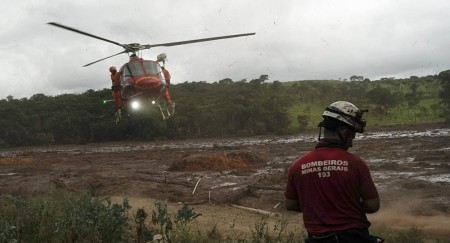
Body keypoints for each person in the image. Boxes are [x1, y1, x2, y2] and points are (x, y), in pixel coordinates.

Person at [284, 101, 381, 243]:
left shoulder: (297, 166)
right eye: (352, 136)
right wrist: (346, 206)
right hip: (354, 237)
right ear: (344, 132)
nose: (352, 143)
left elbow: (290, 205)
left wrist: (320, 208)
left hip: (317, 239)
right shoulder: (356, 164)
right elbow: (372, 206)